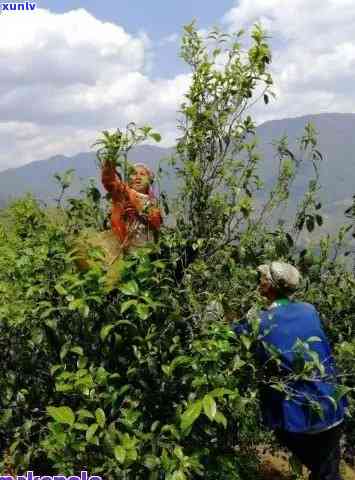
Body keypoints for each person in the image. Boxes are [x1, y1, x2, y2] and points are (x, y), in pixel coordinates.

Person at [233, 261, 348, 480]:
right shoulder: (309, 310)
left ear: (270, 285)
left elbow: (229, 336)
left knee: (325, 473)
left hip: (297, 420)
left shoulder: (258, 320)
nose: (260, 281)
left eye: (263, 278)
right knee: (326, 472)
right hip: (332, 407)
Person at [101, 160, 162, 250]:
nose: (138, 177)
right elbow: (111, 183)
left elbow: (156, 223)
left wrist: (139, 211)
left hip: (146, 251)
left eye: (142, 174)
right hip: (125, 250)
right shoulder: (125, 193)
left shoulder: (153, 202)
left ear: (149, 180)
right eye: (134, 174)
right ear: (129, 179)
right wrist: (109, 166)